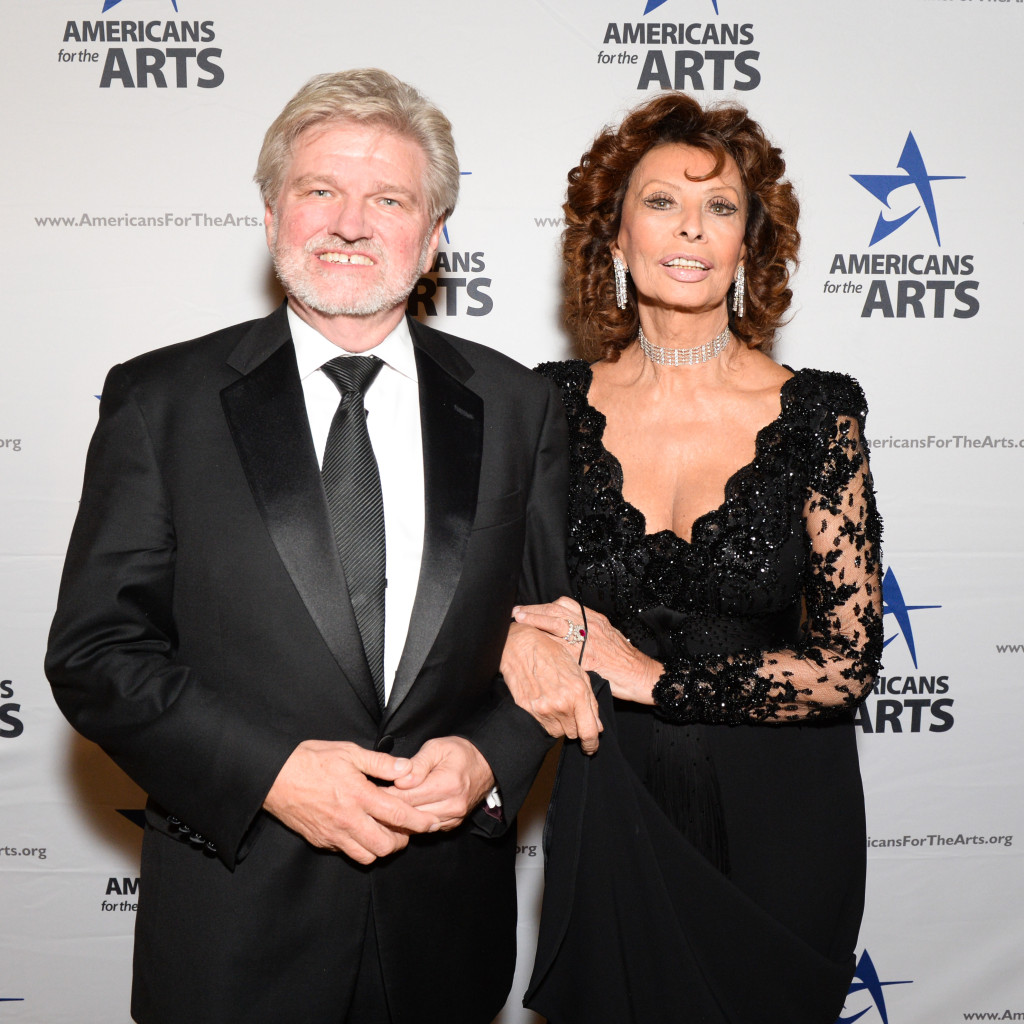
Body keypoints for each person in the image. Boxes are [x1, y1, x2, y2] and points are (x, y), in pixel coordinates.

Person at [45, 68, 567, 1024]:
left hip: (445, 937)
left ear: (435, 232)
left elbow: (552, 635)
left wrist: (491, 758)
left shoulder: (518, 407)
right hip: (232, 936)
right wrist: (274, 775)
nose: (350, 222)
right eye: (320, 190)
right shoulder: (161, 403)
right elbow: (95, 656)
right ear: (274, 212)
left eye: (389, 198)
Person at [500, 92, 883, 1024]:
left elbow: (847, 664)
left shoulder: (819, 414)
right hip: (610, 790)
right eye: (662, 202)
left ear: (749, 244)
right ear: (616, 236)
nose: (691, 229)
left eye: (721, 208)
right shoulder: (543, 407)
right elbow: (495, 592)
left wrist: (657, 681)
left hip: (783, 809)